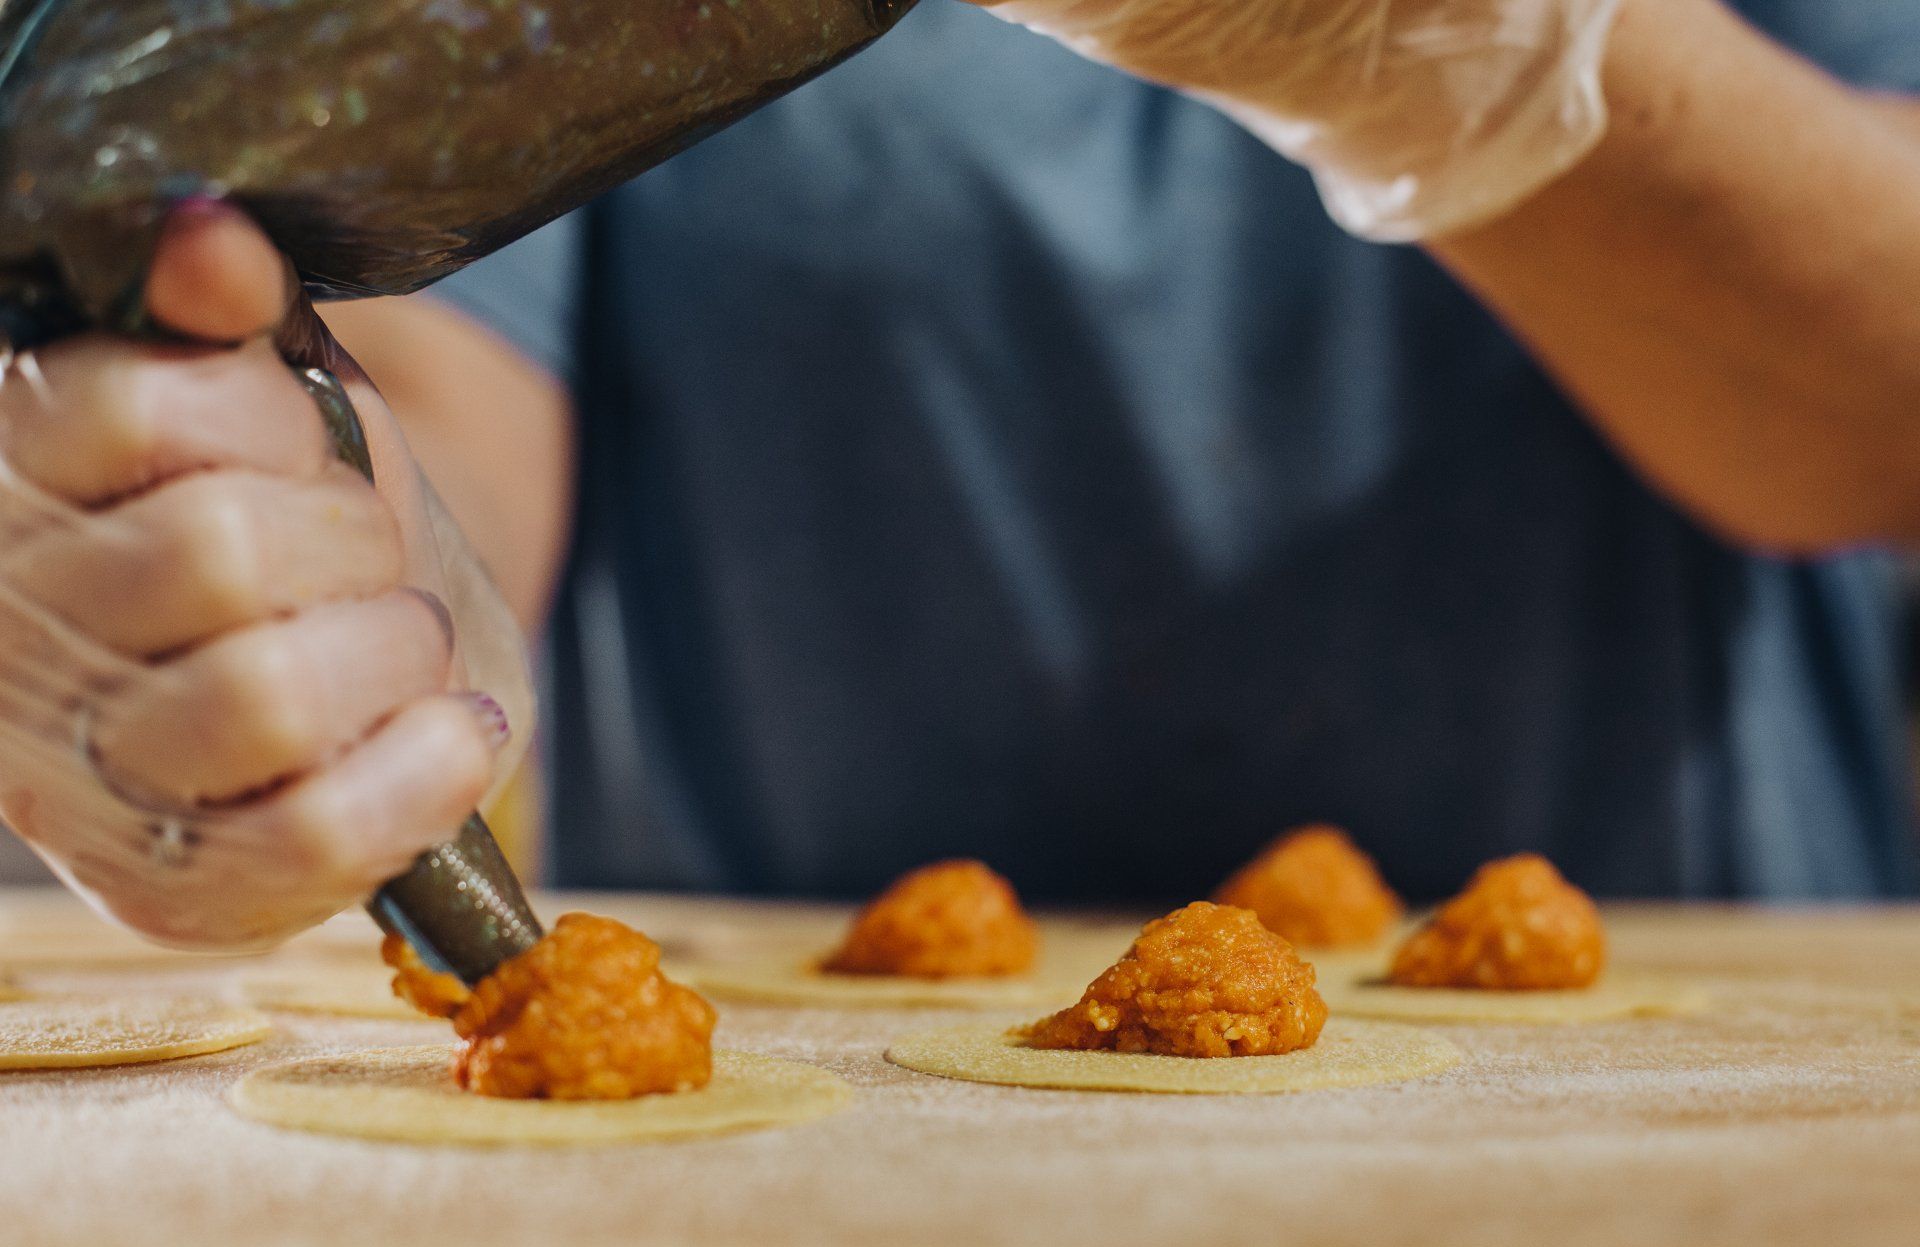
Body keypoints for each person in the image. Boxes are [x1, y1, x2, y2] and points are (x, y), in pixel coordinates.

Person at [2, 0, 1918, 947]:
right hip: (814, 1148)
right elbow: (423, 383)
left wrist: (1481, 49)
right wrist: (291, 606)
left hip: (1677, 1093)